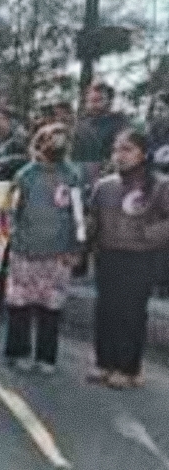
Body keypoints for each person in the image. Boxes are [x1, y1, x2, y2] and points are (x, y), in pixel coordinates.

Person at [88, 130, 169, 389]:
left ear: (143, 154)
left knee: (131, 313)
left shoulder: (161, 185)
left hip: (141, 258)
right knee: (105, 310)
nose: (119, 155)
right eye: (116, 149)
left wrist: (148, 234)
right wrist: (85, 237)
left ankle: (128, 368)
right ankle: (104, 363)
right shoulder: (104, 186)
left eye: (127, 149)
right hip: (108, 254)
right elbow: (93, 219)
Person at [4, 123, 84, 375]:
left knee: (51, 307)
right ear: (39, 143)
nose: (57, 144)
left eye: (62, 139)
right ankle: (17, 353)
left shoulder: (73, 176)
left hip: (59, 255)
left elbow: (79, 215)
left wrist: (77, 248)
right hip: (25, 254)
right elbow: (11, 214)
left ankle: (46, 357)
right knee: (20, 305)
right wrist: (15, 241)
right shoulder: (24, 176)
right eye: (52, 139)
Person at [72, 82, 129, 182]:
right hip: (83, 176)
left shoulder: (119, 123)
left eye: (98, 100)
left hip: (110, 176)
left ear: (108, 101)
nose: (93, 104)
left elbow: (123, 151)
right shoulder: (80, 125)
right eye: (90, 100)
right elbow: (74, 154)